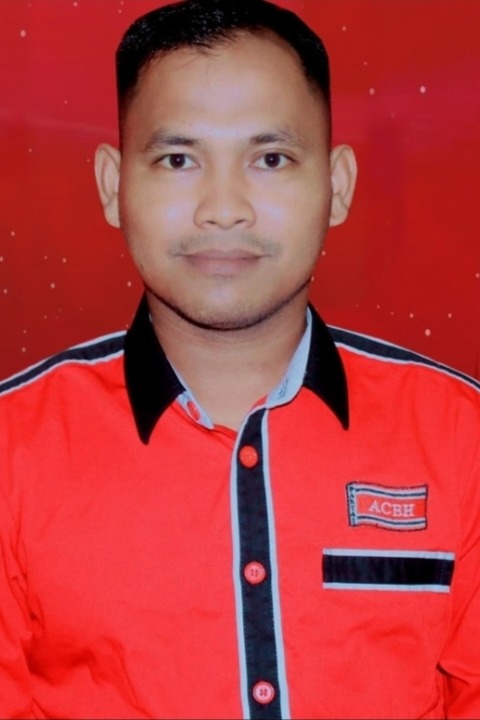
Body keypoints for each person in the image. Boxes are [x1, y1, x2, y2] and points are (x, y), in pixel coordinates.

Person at [0, 0, 479, 717]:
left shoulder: (461, 437)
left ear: (337, 186)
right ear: (113, 186)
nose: (223, 209)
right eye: (178, 159)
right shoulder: (13, 447)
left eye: (270, 159)